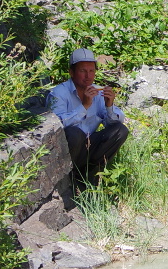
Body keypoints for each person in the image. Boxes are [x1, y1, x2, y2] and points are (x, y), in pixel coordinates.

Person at [50, 48, 128, 184]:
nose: (88, 76)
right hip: (66, 149)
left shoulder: (97, 92)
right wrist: (84, 106)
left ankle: (90, 173)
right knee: (75, 133)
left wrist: (109, 106)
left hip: (88, 147)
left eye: (91, 71)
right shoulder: (59, 93)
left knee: (121, 130)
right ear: (71, 72)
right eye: (83, 71)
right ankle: (68, 177)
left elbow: (115, 122)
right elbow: (56, 125)